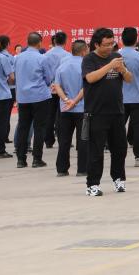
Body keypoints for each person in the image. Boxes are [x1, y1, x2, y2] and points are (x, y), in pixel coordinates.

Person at [83, 27, 133, 196]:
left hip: (117, 111)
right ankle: (92, 184)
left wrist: (122, 70)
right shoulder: (89, 59)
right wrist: (110, 66)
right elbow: (90, 78)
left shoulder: (117, 57)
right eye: (106, 44)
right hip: (96, 112)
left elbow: (129, 79)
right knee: (96, 151)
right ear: (97, 44)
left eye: (112, 43)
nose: (110, 47)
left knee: (120, 148)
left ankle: (119, 179)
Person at [14, 32, 54, 168]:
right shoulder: (42, 58)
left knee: (23, 127)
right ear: (39, 43)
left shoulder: (18, 58)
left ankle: (21, 160)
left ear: (27, 42)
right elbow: (48, 79)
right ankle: (37, 159)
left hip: (23, 97)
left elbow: (16, 76)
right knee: (39, 128)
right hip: (40, 96)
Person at [52, 40, 88, 177]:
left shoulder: (62, 66)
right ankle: (82, 169)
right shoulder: (85, 66)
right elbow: (86, 87)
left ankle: (62, 169)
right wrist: (75, 101)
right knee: (83, 139)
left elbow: (57, 86)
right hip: (82, 108)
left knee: (64, 140)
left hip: (65, 109)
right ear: (83, 51)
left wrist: (66, 100)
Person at [119, 27, 139, 167]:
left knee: (118, 128)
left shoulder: (116, 56)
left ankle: (118, 156)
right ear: (136, 39)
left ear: (121, 39)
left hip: (120, 98)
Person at [42, 32, 70, 149]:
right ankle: (62, 139)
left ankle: (48, 140)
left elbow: (44, 73)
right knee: (62, 115)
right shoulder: (67, 55)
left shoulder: (46, 55)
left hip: (50, 88)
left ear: (54, 41)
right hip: (63, 89)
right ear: (65, 41)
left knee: (50, 115)